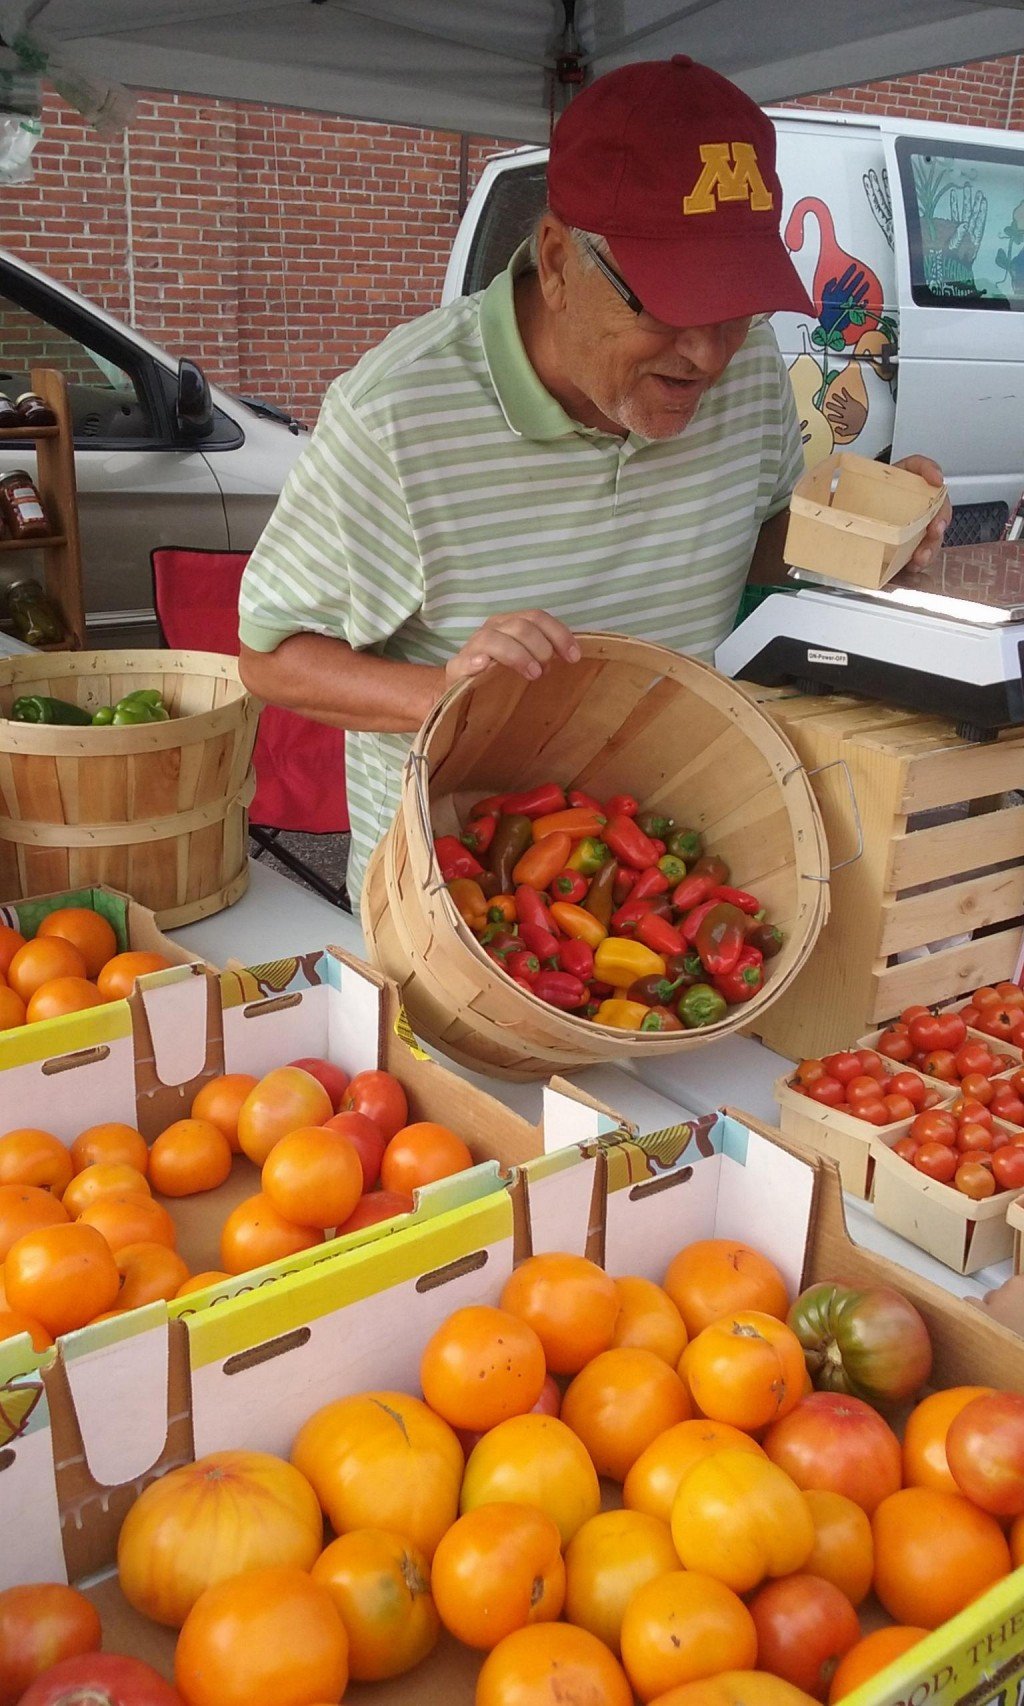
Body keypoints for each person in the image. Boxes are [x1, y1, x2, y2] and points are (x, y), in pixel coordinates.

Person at [237, 54, 949, 907]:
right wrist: (451, 695)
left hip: (671, 868)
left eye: (736, 304)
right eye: (671, 307)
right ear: (560, 258)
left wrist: (865, 538)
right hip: (463, 898)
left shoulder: (748, 367)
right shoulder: (398, 412)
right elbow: (272, 657)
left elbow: (756, 544)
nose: (708, 354)